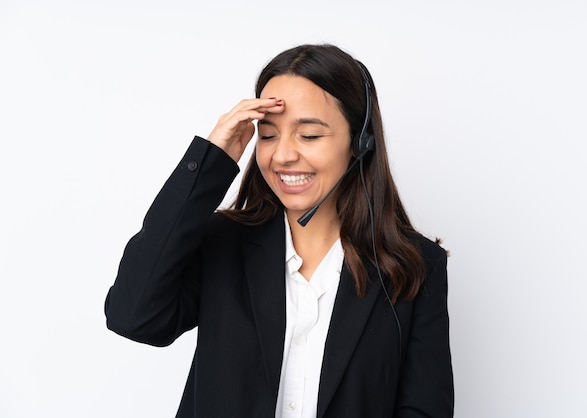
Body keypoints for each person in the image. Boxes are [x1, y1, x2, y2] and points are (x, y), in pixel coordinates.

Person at [105, 43, 454, 417]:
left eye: (309, 135)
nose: (283, 155)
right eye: (269, 135)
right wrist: (209, 162)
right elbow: (133, 317)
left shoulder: (414, 265)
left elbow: (424, 409)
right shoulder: (222, 242)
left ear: (360, 142)